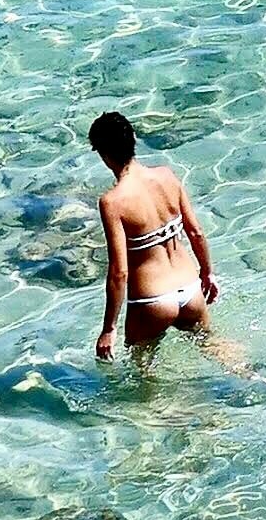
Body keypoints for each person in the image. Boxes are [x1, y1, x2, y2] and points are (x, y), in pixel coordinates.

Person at [90, 110, 222, 360]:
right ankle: (255, 379)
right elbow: (196, 232)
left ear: (103, 154)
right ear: (134, 140)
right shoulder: (166, 176)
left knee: (144, 378)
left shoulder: (112, 202)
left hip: (152, 300)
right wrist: (208, 273)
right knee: (215, 347)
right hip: (190, 288)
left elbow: (119, 272)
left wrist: (109, 329)